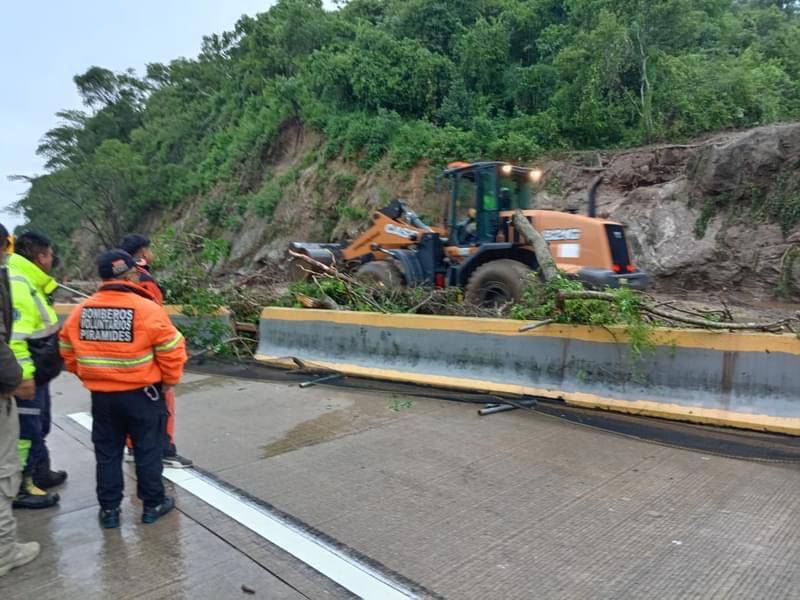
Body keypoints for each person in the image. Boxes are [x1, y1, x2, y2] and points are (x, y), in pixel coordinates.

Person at [59, 249, 187, 528]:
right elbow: (172, 348)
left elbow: (67, 351)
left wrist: (90, 375)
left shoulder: (81, 310)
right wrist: (169, 381)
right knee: (147, 450)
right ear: (130, 275)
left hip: (102, 398)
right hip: (142, 395)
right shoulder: (146, 308)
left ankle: (109, 512)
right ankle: (152, 505)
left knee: (107, 455)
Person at [119, 233, 192, 469]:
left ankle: (132, 446)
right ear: (142, 254)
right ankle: (165, 450)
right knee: (163, 403)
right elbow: (155, 320)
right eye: (149, 250)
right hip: (149, 352)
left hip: (127, 354)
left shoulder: (116, 279)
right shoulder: (145, 281)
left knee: (134, 403)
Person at [8, 232, 64, 509]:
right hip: (28, 374)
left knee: (39, 425)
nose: (52, 260)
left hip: (39, 371)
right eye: (50, 255)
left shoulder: (28, 279)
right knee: (27, 431)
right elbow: (15, 337)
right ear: (41, 256)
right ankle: (22, 485)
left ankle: (41, 472)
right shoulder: (18, 281)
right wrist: (25, 375)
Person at [0, 224, 41, 576]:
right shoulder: (13, 280)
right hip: (7, 388)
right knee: (3, 473)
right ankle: (3, 554)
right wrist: (16, 379)